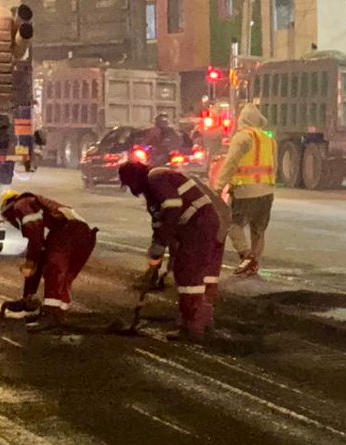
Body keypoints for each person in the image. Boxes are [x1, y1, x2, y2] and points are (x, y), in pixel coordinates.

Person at [118, 162, 224, 341]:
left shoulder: (156, 178)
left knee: (189, 275)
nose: (131, 190)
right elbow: (160, 225)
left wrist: (161, 244)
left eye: (129, 185)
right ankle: (201, 321)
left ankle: (193, 327)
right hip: (196, 226)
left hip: (197, 225)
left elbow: (173, 209)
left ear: (135, 179)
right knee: (193, 272)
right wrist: (156, 254)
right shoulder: (153, 194)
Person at [0, 191, 97, 332]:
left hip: (70, 232)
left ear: (7, 207)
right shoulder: (38, 206)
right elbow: (39, 253)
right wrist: (28, 296)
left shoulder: (22, 204)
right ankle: (58, 314)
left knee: (53, 270)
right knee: (64, 277)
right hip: (86, 237)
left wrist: (30, 261)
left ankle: (50, 314)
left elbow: (34, 233)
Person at [212, 103, 276, 277]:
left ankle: (247, 257)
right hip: (267, 192)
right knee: (259, 230)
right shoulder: (269, 139)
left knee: (232, 224)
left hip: (246, 191)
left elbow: (231, 163)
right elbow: (273, 166)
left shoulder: (242, 138)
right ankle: (254, 263)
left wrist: (218, 187)